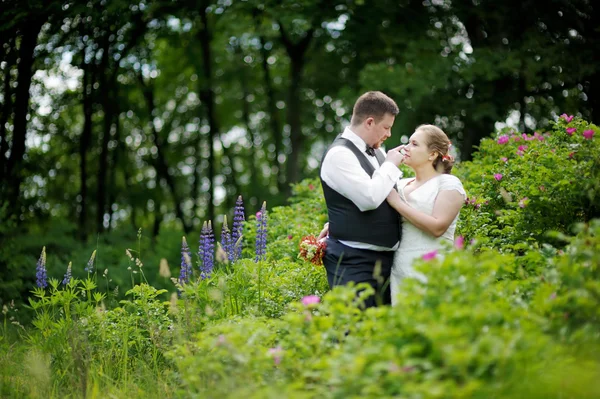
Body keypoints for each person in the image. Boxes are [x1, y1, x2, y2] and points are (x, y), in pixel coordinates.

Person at [318, 91, 405, 308]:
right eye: (386, 127)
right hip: (354, 263)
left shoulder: (378, 153)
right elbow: (369, 198)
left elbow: (386, 193)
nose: (389, 134)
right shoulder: (340, 155)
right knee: (356, 334)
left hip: (385, 264)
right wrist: (392, 165)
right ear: (369, 122)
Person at [386, 124, 465, 305]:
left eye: (414, 144)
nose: (406, 148)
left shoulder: (448, 184)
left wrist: (397, 203)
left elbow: (438, 227)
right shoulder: (398, 185)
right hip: (400, 270)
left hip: (433, 268)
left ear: (432, 154)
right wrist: (333, 226)